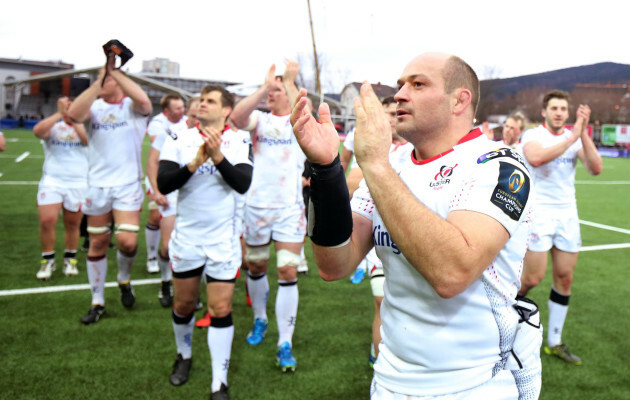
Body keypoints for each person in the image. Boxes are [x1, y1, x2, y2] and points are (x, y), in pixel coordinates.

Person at [291, 52, 541, 399]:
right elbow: (335, 263)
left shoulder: (498, 166)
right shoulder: (393, 163)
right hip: (390, 378)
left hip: (474, 383)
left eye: (418, 84)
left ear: (459, 100)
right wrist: (326, 168)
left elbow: (451, 273)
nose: (400, 95)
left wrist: (375, 167)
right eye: (400, 85)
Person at [157, 85, 252, 400]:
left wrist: (218, 157)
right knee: (184, 304)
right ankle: (184, 355)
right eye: (200, 99)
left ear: (226, 110)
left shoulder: (239, 140)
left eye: (210, 100)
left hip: (222, 239)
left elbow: (242, 183)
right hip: (188, 238)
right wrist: (196, 162)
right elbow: (165, 182)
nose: (202, 104)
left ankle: (219, 382)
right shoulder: (177, 138)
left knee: (221, 307)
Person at [230, 60, 306, 372]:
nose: (272, 95)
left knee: (288, 272)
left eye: (277, 91)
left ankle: (284, 341)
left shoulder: (299, 120)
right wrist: (265, 86)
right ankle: (260, 319)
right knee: (256, 265)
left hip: (289, 209)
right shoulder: (260, 120)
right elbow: (236, 117)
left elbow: (303, 113)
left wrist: (289, 80)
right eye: (270, 92)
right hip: (257, 207)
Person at [519, 90, 602, 365]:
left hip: (567, 215)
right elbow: (536, 159)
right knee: (531, 279)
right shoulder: (533, 135)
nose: (558, 113)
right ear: (544, 112)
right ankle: (497, 319)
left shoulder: (575, 137)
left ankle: (554, 342)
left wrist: (582, 134)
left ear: (569, 113)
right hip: (538, 213)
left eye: (563, 109)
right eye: (554, 108)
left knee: (565, 278)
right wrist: (572, 136)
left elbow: (595, 168)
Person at [68, 54, 152, 325]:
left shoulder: (133, 107)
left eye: (108, 80)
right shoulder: (94, 108)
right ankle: (97, 301)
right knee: (98, 243)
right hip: (97, 186)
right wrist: (97, 83)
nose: (104, 82)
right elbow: (73, 114)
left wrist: (116, 73)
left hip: (127, 185)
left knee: (127, 242)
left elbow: (144, 101)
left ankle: (124, 278)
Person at [344, 96, 412, 368]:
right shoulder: (373, 149)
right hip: (380, 245)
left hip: (415, 244)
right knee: (382, 304)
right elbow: (350, 182)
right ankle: (379, 361)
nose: (391, 119)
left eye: (396, 113)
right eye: (386, 114)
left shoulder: (418, 149)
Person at [33, 96, 88, 280]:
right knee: (47, 220)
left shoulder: (85, 127)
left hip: (78, 182)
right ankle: (47, 260)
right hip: (52, 181)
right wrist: (58, 113)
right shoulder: (54, 126)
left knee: (73, 224)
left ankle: (70, 259)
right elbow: (38, 131)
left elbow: (87, 141)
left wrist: (75, 118)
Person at [145, 94, 190, 306]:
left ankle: (189, 291)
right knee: (168, 245)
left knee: (191, 246)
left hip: (194, 197)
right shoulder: (169, 132)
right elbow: (153, 162)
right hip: (170, 192)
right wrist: (157, 190)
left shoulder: (213, 132)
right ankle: (164, 280)